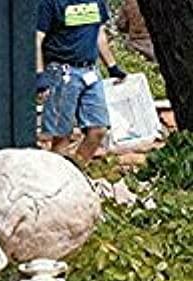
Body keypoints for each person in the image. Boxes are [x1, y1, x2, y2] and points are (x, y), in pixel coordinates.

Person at [36, 0, 127, 164]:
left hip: (91, 71)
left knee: (98, 129)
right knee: (62, 137)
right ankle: (56, 176)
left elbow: (100, 35)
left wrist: (112, 67)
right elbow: (37, 39)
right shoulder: (51, 3)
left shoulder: (97, 2)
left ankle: (76, 170)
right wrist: (40, 75)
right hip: (62, 72)